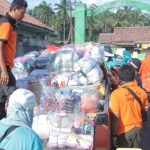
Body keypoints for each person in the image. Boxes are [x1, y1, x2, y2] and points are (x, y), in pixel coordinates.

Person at [109, 64, 148, 149]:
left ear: (118, 78)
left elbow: (115, 118)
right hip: (138, 129)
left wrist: (113, 135)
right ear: (134, 77)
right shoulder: (142, 92)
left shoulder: (116, 94)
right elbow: (145, 109)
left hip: (123, 132)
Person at [0, 0, 27, 119]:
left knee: (1, 100)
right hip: (3, 67)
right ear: (15, 9)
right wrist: (4, 71)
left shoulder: (10, 24)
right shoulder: (6, 25)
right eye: (22, 12)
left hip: (4, 67)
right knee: (15, 99)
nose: (23, 15)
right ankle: (15, 128)